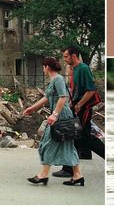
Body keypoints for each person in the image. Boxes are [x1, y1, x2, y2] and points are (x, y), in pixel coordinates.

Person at [23, 57, 84, 186]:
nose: (43, 69)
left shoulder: (58, 79)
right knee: (67, 146)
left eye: (43, 67)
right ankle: (78, 175)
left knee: (47, 143)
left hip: (61, 116)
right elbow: (47, 97)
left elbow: (63, 97)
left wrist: (55, 115)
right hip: (58, 115)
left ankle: (43, 175)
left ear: (47, 67)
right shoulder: (53, 80)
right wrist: (32, 108)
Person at [52, 46, 105, 178]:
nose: (64, 59)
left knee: (79, 136)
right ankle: (83, 155)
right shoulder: (74, 69)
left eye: (66, 56)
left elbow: (91, 90)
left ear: (73, 56)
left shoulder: (83, 68)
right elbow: (75, 90)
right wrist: (72, 103)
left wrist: (80, 104)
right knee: (81, 136)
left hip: (84, 107)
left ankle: (69, 168)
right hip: (77, 106)